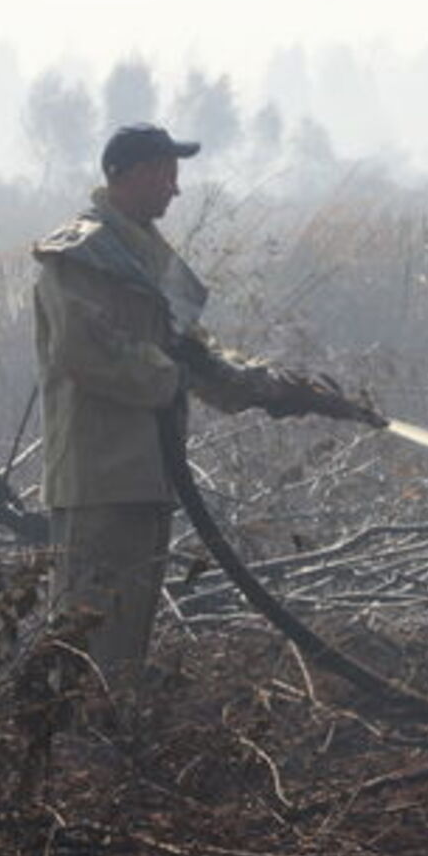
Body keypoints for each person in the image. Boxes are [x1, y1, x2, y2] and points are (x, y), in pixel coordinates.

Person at [32, 123, 382, 695]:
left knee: (128, 629)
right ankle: (78, 752)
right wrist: (175, 378)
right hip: (99, 476)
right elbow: (86, 354)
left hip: (146, 475)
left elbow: (193, 352)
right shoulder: (80, 255)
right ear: (133, 174)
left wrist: (275, 389)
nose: (175, 189)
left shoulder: (142, 254)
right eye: (166, 174)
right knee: (89, 633)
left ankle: (115, 741)